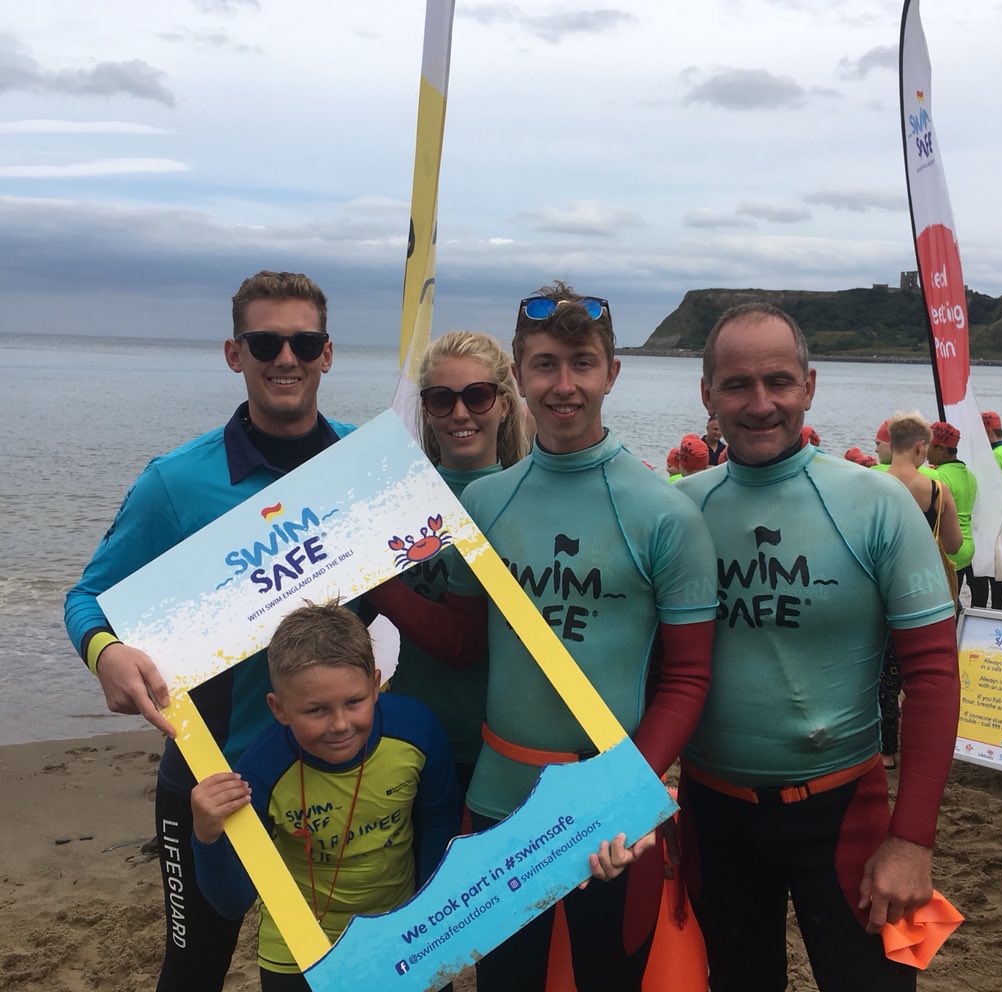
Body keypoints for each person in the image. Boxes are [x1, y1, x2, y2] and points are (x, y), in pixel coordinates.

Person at [370, 282, 719, 991]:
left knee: (605, 979)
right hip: (500, 807)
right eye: (546, 365)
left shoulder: (664, 513)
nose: (564, 385)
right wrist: (372, 580)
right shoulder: (488, 501)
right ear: (520, 376)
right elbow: (466, 643)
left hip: (608, 814)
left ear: (611, 373)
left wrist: (626, 792)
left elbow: (687, 680)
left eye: (582, 364)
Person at [63, 271, 356, 992]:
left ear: (327, 353)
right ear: (234, 353)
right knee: (195, 965)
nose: (284, 357)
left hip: (338, 764)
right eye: (264, 342)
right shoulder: (176, 482)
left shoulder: (364, 464)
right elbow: (89, 596)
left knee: (333, 964)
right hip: (210, 776)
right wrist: (106, 652)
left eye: (303, 341)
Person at [675, 303, 960, 992]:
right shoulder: (680, 510)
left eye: (779, 380)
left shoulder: (877, 502)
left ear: (809, 385)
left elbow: (932, 672)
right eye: (738, 384)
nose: (761, 402)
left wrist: (913, 838)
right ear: (708, 394)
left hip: (846, 809)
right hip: (715, 815)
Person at [191, 599, 460, 991]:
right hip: (298, 948)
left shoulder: (417, 730)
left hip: (403, 932)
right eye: (316, 710)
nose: (339, 724)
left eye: (354, 702)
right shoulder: (259, 773)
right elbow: (231, 903)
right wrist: (206, 837)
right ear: (279, 708)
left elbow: (439, 820)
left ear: (375, 684)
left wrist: (427, 913)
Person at [389, 331, 529, 800]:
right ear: (426, 408)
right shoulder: (396, 499)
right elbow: (344, 623)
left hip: (506, 743)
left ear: (504, 404)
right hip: (409, 735)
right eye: (441, 399)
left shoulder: (528, 498)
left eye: (478, 395)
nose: (461, 413)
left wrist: (375, 588)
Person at [878, 411, 962, 770]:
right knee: (924, 678)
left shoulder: (870, 482)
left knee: (883, 677)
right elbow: (954, 544)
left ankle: (885, 751)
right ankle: (919, 752)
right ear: (920, 446)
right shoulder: (936, 488)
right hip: (924, 594)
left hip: (880, 593)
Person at [966, 410, 1002, 610]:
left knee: (985, 572)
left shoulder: (996, 456)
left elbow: (979, 485)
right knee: (996, 572)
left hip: (993, 522)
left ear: (988, 433)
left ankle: (982, 612)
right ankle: (997, 613)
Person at [922, 420, 977, 592]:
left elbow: (898, 469)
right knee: (954, 599)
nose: (924, 450)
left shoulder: (936, 475)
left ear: (942, 449)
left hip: (949, 547)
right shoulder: (970, 475)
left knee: (942, 603)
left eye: (928, 445)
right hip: (966, 546)